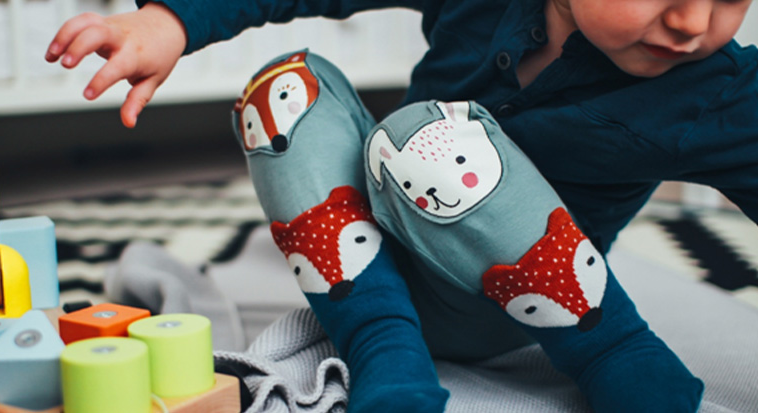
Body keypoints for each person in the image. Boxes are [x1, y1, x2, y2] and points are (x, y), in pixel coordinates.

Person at [45, 0, 757, 411]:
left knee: (426, 136)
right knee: (282, 90)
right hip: (368, 253)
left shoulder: (718, 91)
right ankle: (383, 347)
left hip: (510, 305)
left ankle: (619, 354)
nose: (693, 20)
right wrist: (172, 20)